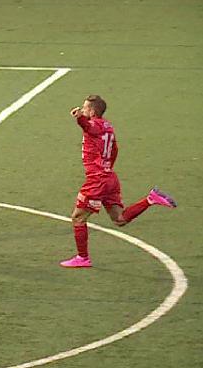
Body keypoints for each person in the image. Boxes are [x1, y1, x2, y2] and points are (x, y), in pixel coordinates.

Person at [60, 95, 176, 268]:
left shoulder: (94, 124)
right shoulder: (108, 127)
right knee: (119, 219)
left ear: (92, 111)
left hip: (97, 180)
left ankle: (82, 258)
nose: (83, 110)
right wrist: (107, 168)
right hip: (109, 178)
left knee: (78, 217)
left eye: (85, 108)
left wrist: (79, 118)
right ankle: (150, 199)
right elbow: (114, 150)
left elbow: (88, 126)